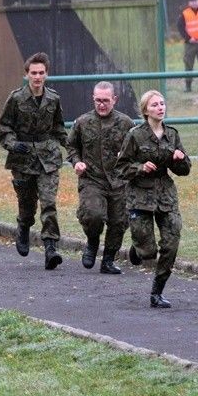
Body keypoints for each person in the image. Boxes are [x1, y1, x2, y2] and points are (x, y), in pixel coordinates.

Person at [117, 90, 191, 307]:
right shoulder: (135, 135)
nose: (160, 108)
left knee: (171, 243)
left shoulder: (172, 135)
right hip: (140, 195)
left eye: (162, 104)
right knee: (148, 252)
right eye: (154, 105)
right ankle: (138, 247)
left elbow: (185, 170)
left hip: (165, 195)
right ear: (145, 111)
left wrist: (179, 159)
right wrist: (140, 167)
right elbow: (121, 168)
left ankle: (157, 292)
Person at [0, 52, 68, 270]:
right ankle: (23, 226)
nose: (37, 77)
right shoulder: (16, 98)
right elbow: (4, 127)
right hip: (23, 158)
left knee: (49, 203)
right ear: (27, 74)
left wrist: (72, 148)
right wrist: (12, 144)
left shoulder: (53, 99)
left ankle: (50, 247)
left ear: (46, 74)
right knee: (27, 204)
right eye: (33, 73)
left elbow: (59, 128)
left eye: (41, 73)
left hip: (48, 158)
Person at [66, 81, 134, 275]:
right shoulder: (83, 122)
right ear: (93, 99)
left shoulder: (126, 123)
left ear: (114, 100)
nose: (101, 104)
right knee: (92, 215)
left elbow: (135, 148)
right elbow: (71, 146)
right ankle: (92, 241)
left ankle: (108, 260)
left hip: (119, 180)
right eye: (98, 100)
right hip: (92, 178)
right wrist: (77, 162)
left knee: (119, 221)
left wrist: (129, 161)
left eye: (105, 100)